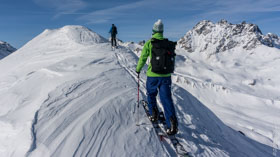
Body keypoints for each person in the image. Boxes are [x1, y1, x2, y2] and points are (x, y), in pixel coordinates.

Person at [136, 19, 178, 135]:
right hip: (166, 77)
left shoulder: (150, 43)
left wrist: (138, 69)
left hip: (153, 76)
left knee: (151, 94)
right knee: (166, 99)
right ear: (162, 31)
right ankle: (172, 124)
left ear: (153, 31)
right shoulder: (168, 44)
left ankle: (153, 114)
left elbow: (143, 58)